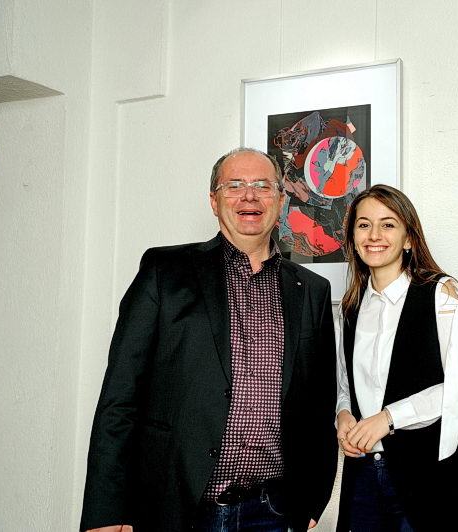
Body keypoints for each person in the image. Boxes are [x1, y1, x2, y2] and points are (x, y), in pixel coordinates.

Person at [80, 148, 338, 532]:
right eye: (234, 185)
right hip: (175, 506)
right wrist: (106, 510)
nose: (249, 196)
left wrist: (314, 497)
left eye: (262, 186)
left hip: (273, 512)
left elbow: (320, 403)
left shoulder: (312, 290)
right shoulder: (164, 272)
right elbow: (121, 396)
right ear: (214, 201)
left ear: (282, 201)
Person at [334, 185, 458, 531]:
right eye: (364, 225)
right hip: (363, 478)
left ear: (409, 238)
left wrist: (390, 418)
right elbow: (346, 384)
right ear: (353, 239)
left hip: (430, 480)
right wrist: (343, 415)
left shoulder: (442, 294)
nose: (374, 235)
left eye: (388, 225)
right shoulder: (349, 307)